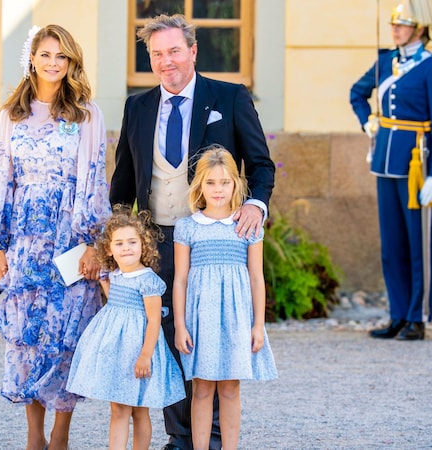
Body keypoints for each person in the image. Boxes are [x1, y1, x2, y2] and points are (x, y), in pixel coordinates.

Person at [108, 14, 275, 450]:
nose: (167, 62)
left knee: (214, 334)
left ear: (193, 51)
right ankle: (181, 438)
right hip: (157, 237)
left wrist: (255, 205)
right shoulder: (137, 107)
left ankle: (216, 438)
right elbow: (123, 181)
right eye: (157, 54)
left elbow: (260, 165)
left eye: (175, 51)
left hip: (214, 239)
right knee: (166, 336)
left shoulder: (230, 97)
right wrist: (121, 241)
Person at [0, 24, 112, 450]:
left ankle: (61, 434)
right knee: (28, 334)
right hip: (24, 239)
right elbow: (0, 180)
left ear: (71, 62)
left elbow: (95, 179)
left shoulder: (87, 114)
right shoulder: (10, 116)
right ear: (32, 59)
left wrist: (95, 242)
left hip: (71, 238)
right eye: (45, 54)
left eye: (62, 56)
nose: (53, 63)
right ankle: (33, 435)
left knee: (65, 332)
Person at [349, 1, 432, 341]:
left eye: (403, 24)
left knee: (418, 244)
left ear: (420, 28)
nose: (395, 30)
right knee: (392, 245)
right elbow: (357, 93)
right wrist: (367, 120)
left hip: (418, 166)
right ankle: (398, 313)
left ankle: (418, 316)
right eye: (393, 24)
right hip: (385, 162)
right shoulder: (385, 61)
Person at [173, 146, 277, 450]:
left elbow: (256, 279)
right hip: (200, 318)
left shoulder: (247, 225)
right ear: (200, 186)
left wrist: (258, 325)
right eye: (210, 182)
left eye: (225, 182)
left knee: (231, 388)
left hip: (236, 318)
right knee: (202, 389)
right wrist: (180, 325)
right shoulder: (187, 227)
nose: (218, 190)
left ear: (236, 184)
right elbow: (180, 280)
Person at [66, 206, 186, 450]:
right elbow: (116, 302)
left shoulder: (148, 279)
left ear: (144, 245)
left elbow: (154, 320)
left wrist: (145, 356)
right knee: (118, 408)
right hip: (117, 350)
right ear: (109, 249)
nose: (126, 248)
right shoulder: (116, 274)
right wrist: (105, 282)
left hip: (140, 349)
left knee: (140, 410)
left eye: (132, 242)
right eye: (119, 243)